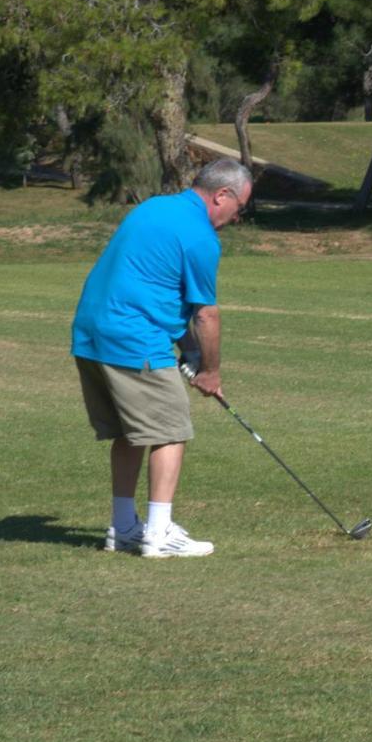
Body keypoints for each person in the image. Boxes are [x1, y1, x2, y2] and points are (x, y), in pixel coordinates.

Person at [71, 158, 252, 558]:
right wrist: (210, 371)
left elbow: (155, 288)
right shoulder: (201, 237)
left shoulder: (153, 206)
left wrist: (188, 351)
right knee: (171, 430)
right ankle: (158, 534)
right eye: (239, 208)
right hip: (135, 338)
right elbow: (205, 313)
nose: (237, 218)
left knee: (130, 433)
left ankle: (123, 529)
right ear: (221, 195)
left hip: (91, 333)